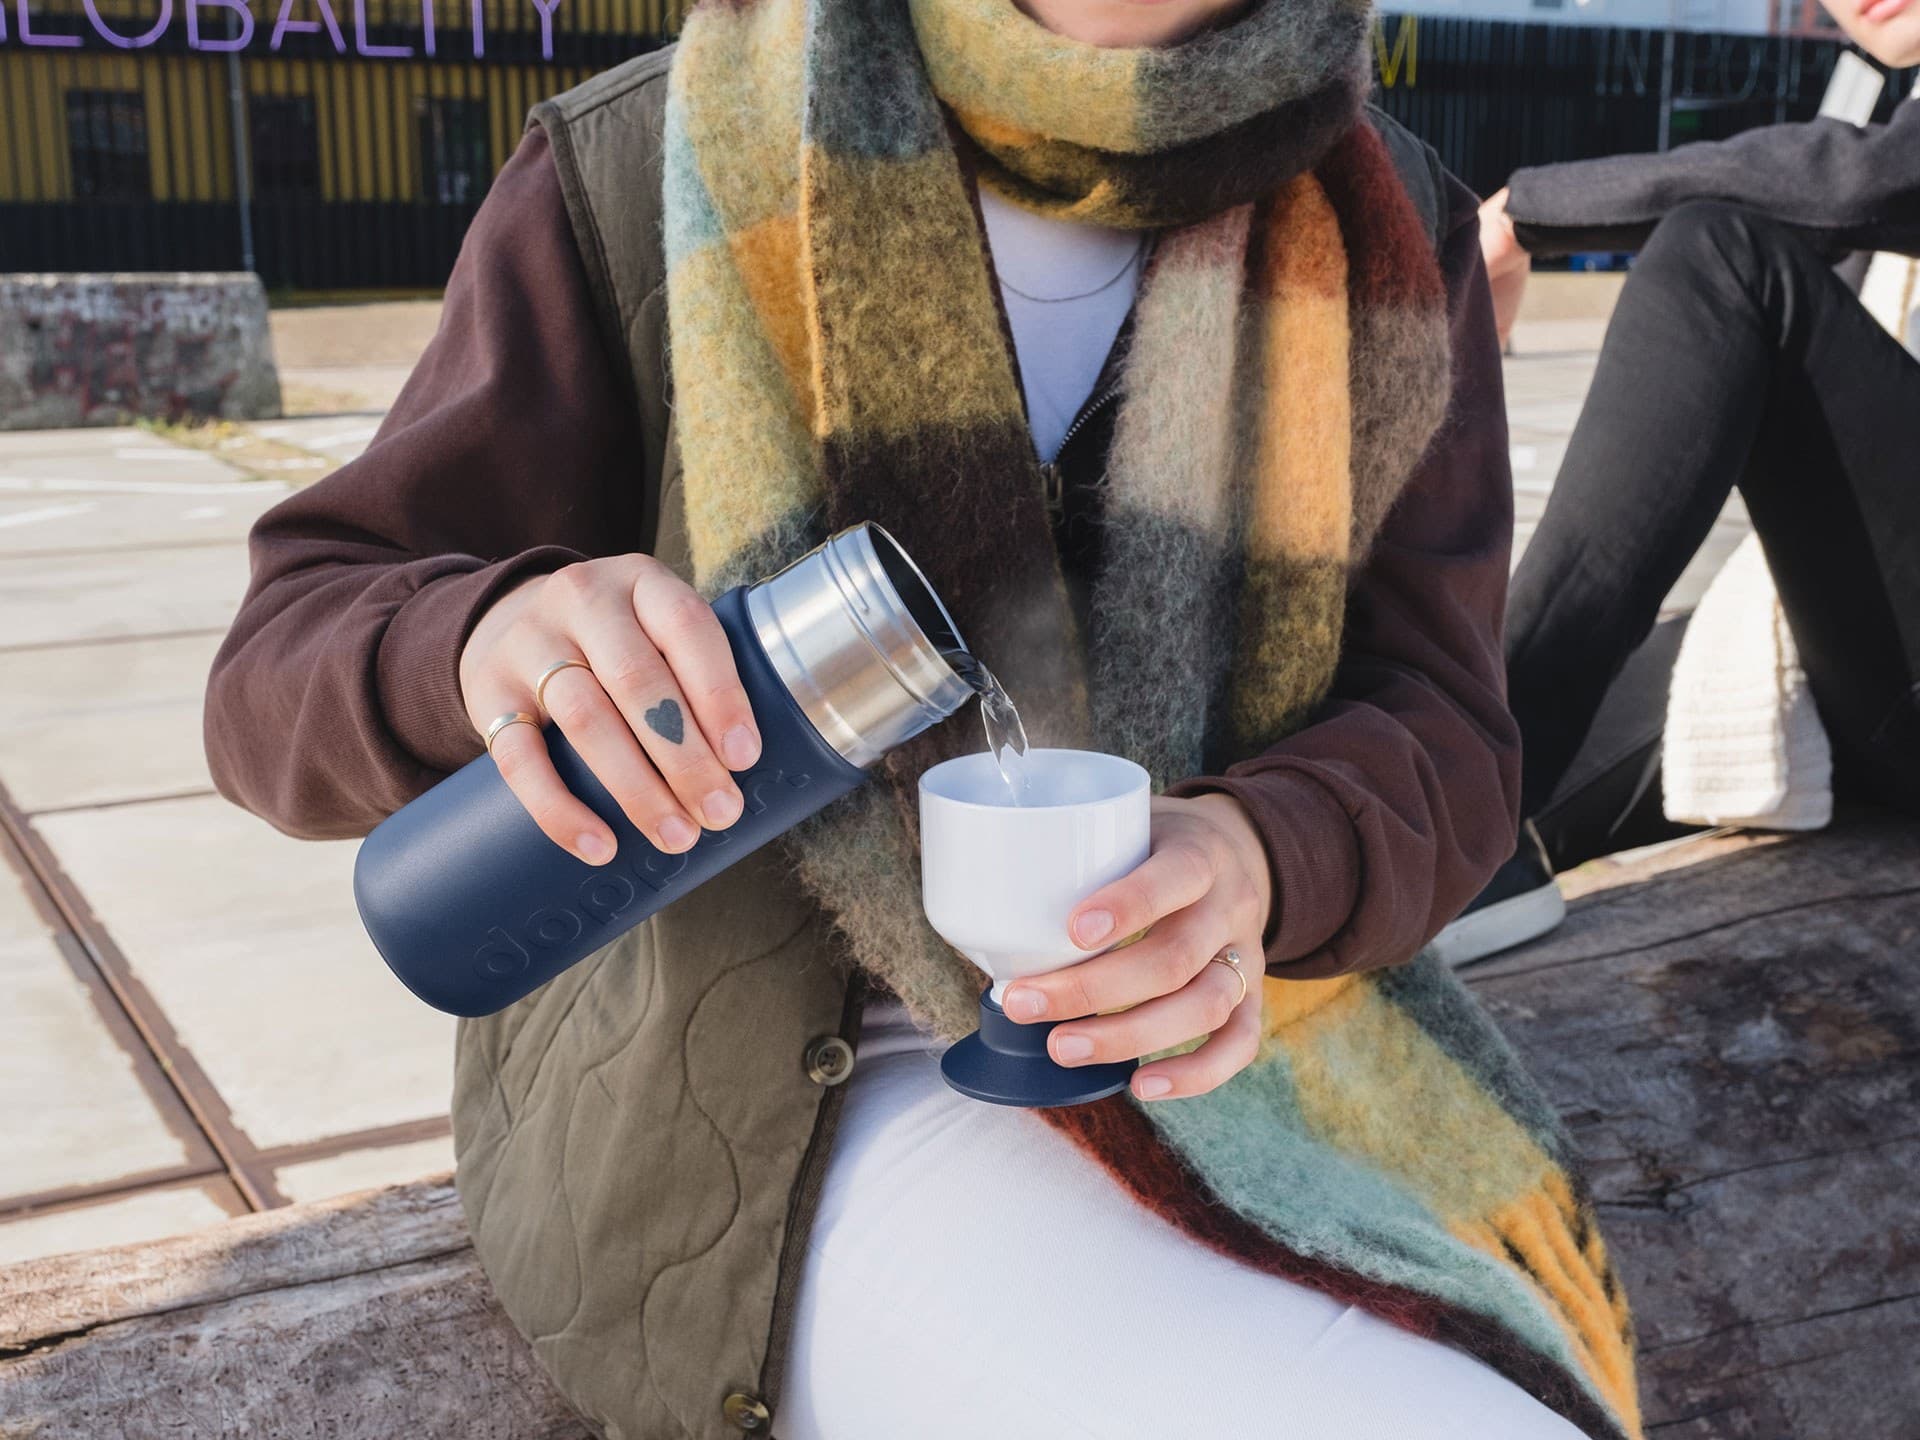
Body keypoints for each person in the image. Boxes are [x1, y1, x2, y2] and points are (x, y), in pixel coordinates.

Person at [201, 0, 1642, 1434]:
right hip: (771, 1082)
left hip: (1231, 1039)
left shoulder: (1389, 212)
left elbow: (1449, 730)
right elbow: (276, 667)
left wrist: (1262, 857)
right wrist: (485, 642)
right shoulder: (652, 155)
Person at [1431, 0, 1920, 968]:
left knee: (1718, 254)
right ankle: (1447, 825)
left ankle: (1462, 806)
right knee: (1506, 805)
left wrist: (1524, 213)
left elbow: (1859, 179)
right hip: (1874, 675)